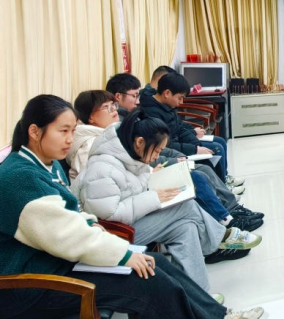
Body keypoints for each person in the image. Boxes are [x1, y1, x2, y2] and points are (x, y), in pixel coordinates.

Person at [0, 95, 264, 319]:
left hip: (57, 265)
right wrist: (123, 254)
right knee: (140, 277)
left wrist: (100, 232)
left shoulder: (46, 165)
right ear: (35, 131)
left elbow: (73, 215)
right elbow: (68, 236)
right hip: (31, 289)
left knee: (156, 261)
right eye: (63, 131)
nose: (70, 139)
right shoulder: (19, 179)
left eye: (73, 130)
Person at [73, 112, 261, 288]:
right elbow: (109, 214)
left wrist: (152, 178)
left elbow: (131, 187)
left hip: (133, 222)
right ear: (139, 142)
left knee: (186, 228)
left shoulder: (129, 153)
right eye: (157, 151)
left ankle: (196, 297)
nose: (157, 156)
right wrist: (153, 198)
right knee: (185, 206)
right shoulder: (103, 168)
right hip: (114, 234)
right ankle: (221, 237)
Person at [108, 73, 261, 225]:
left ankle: (230, 210)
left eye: (138, 95)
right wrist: (184, 155)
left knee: (206, 164)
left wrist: (192, 145)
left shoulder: (133, 117)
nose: (138, 100)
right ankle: (227, 217)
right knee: (200, 172)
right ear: (118, 97)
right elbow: (150, 152)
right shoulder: (122, 126)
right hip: (150, 174)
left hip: (157, 164)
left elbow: (164, 141)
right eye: (134, 96)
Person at [141, 73, 233, 182]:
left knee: (220, 142)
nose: (181, 102)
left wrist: (196, 143)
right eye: (180, 98)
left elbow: (179, 127)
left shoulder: (166, 105)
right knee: (217, 149)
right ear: (167, 93)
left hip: (180, 144)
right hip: (174, 150)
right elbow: (167, 145)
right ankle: (222, 183)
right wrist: (195, 149)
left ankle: (224, 180)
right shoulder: (152, 114)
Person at [68, 90, 119, 182]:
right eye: (106, 107)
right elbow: (90, 181)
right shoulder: (88, 144)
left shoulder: (108, 136)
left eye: (113, 104)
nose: (114, 109)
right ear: (91, 117)